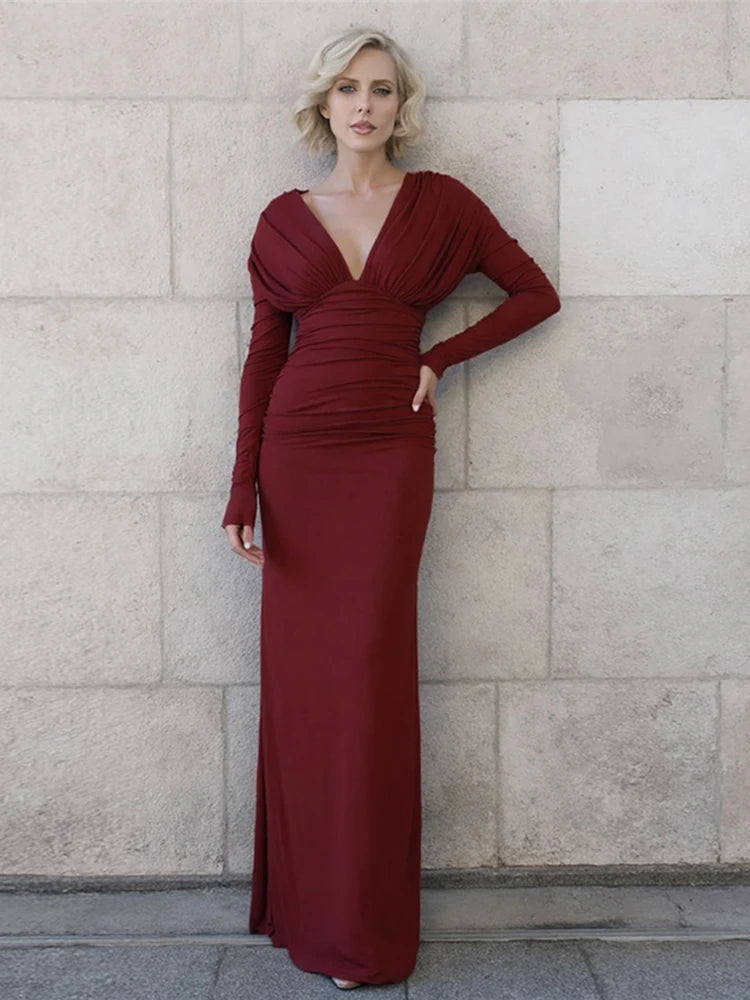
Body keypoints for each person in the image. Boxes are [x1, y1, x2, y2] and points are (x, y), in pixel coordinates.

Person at [221, 26, 561, 991]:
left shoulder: (444, 204)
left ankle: (362, 927)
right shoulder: (282, 218)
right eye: (347, 88)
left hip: (387, 455)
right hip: (299, 452)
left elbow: (537, 294)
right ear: (323, 104)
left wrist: (439, 361)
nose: (364, 104)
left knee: (368, 670)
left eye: (380, 89)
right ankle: (306, 907)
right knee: (306, 683)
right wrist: (240, 487)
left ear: (399, 105)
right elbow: (261, 357)